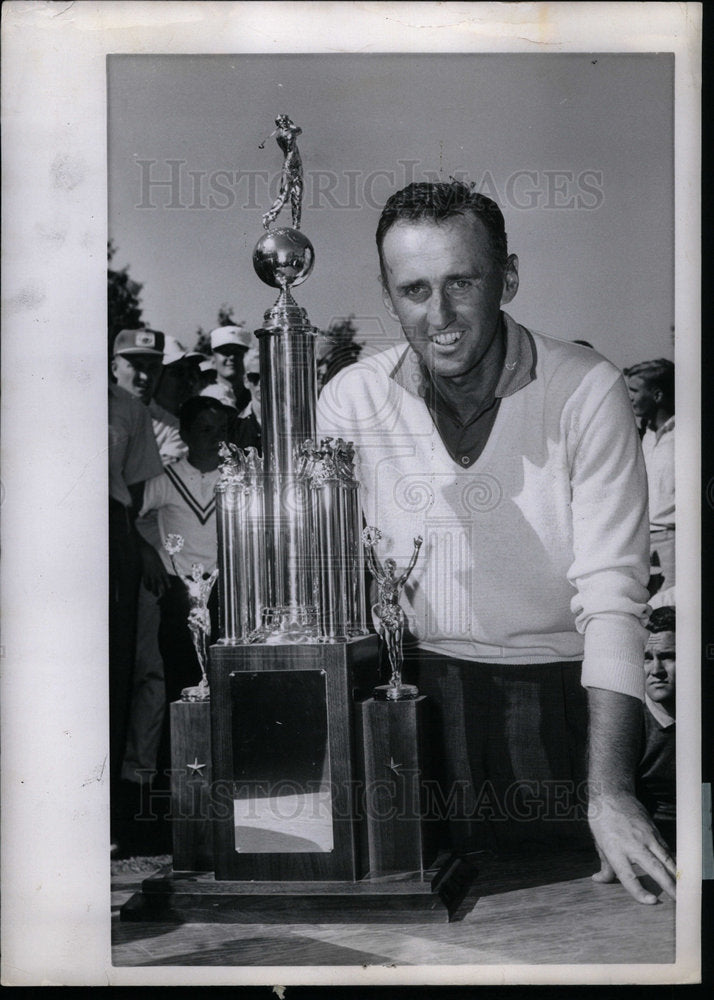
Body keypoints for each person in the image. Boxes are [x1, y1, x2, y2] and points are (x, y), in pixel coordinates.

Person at [317, 180, 675, 904]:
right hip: (406, 704)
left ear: (508, 278)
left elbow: (613, 597)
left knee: (582, 923)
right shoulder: (349, 400)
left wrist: (608, 791)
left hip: (556, 704)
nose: (440, 316)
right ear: (388, 295)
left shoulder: (587, 389)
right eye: (413, 289)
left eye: (463, 283)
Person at [138, 396, 230, 704]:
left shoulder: (237, 478)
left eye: (221, 429)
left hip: (224, 592)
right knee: (180, 680)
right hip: (178, 593)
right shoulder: (166, 478)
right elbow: (126, 517)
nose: (216, 438)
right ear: (186, 434)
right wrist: (146, 551)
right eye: (205, 429)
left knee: (222, 682)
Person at [108, 362, 163, 850]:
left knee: (120, 666)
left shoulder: (128, 408)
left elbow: (137, 487)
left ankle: (118, 807)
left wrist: (134, 543)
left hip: (111, 528)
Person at [624, 359, 675, 594]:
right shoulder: (644, 436)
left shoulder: (688, 435)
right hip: (643, 544)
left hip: (672, 544)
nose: (630, 397)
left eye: (634, 390)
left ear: (657, 395)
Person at [637, 606, 676, 852]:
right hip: (655, 848)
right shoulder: (629, 723)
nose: (656, 671)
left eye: (668, 656)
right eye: (647, 658)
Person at [200, 324, 254, 413]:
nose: (232, 357)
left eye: (237, 352)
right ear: (213, 358)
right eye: (225, 352)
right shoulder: (205, 399)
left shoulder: (255, 396)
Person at [234, 346, 262, 453]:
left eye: (268, 376)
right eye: (255, 377)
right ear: (246, 381)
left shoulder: (292, 424)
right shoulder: (235, 428)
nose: (261, 383)